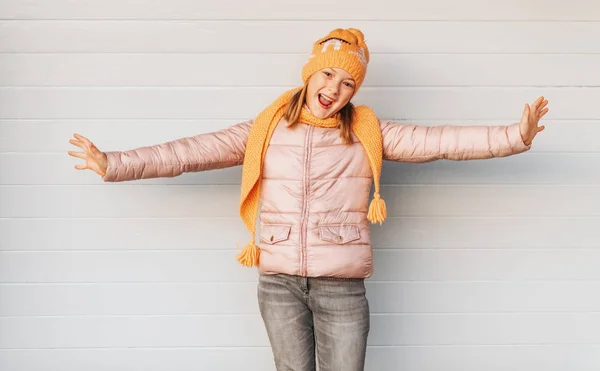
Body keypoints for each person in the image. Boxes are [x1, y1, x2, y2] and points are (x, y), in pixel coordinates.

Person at [68, 28, 548, 371]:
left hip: (341, 290)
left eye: (349, 83)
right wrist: (114, 163)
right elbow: (190, 151)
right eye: (329, 76)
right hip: (277, 284)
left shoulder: (368, 132)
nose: (335, 90)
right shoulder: (265, 129)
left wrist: (515, 135)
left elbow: (441, 141)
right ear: (310, 75)